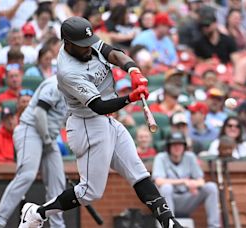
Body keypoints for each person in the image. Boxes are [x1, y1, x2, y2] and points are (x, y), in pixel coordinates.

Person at [18, 16, 183, 228]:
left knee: (139, 174)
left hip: (108, 122)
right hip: (87, 124)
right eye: (83, 46)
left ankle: (169, 223)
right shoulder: (68, 71)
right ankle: (37, 213)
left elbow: (112, 52)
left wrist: (132, 70)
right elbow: (98, 106)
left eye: (89, 43)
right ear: (68, 43)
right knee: (89, 192)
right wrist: (130, 98)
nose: (89, 49)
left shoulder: (82, 41)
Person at [0, 76, 67, 228]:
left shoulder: (77, 90)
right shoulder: (55, 84)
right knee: (27, 175)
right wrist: (47, 139)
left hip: (48, 137)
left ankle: (58, 225)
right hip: (30, 128)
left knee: (58, 182)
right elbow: (39, 113)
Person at [152, 132, 220, 228]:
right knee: (166, 187)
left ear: (184, 146)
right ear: (168, 146)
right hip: (168, 201)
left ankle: (214, 226)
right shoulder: (161, 157)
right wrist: (183, 181)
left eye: (180, 144)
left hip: (187, 199)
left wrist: (194, 184)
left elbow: (201, 181)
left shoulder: (190, 157)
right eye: (174, 144)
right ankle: (168, 226)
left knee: (211, 187)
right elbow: (158, 181)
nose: (177, 147)